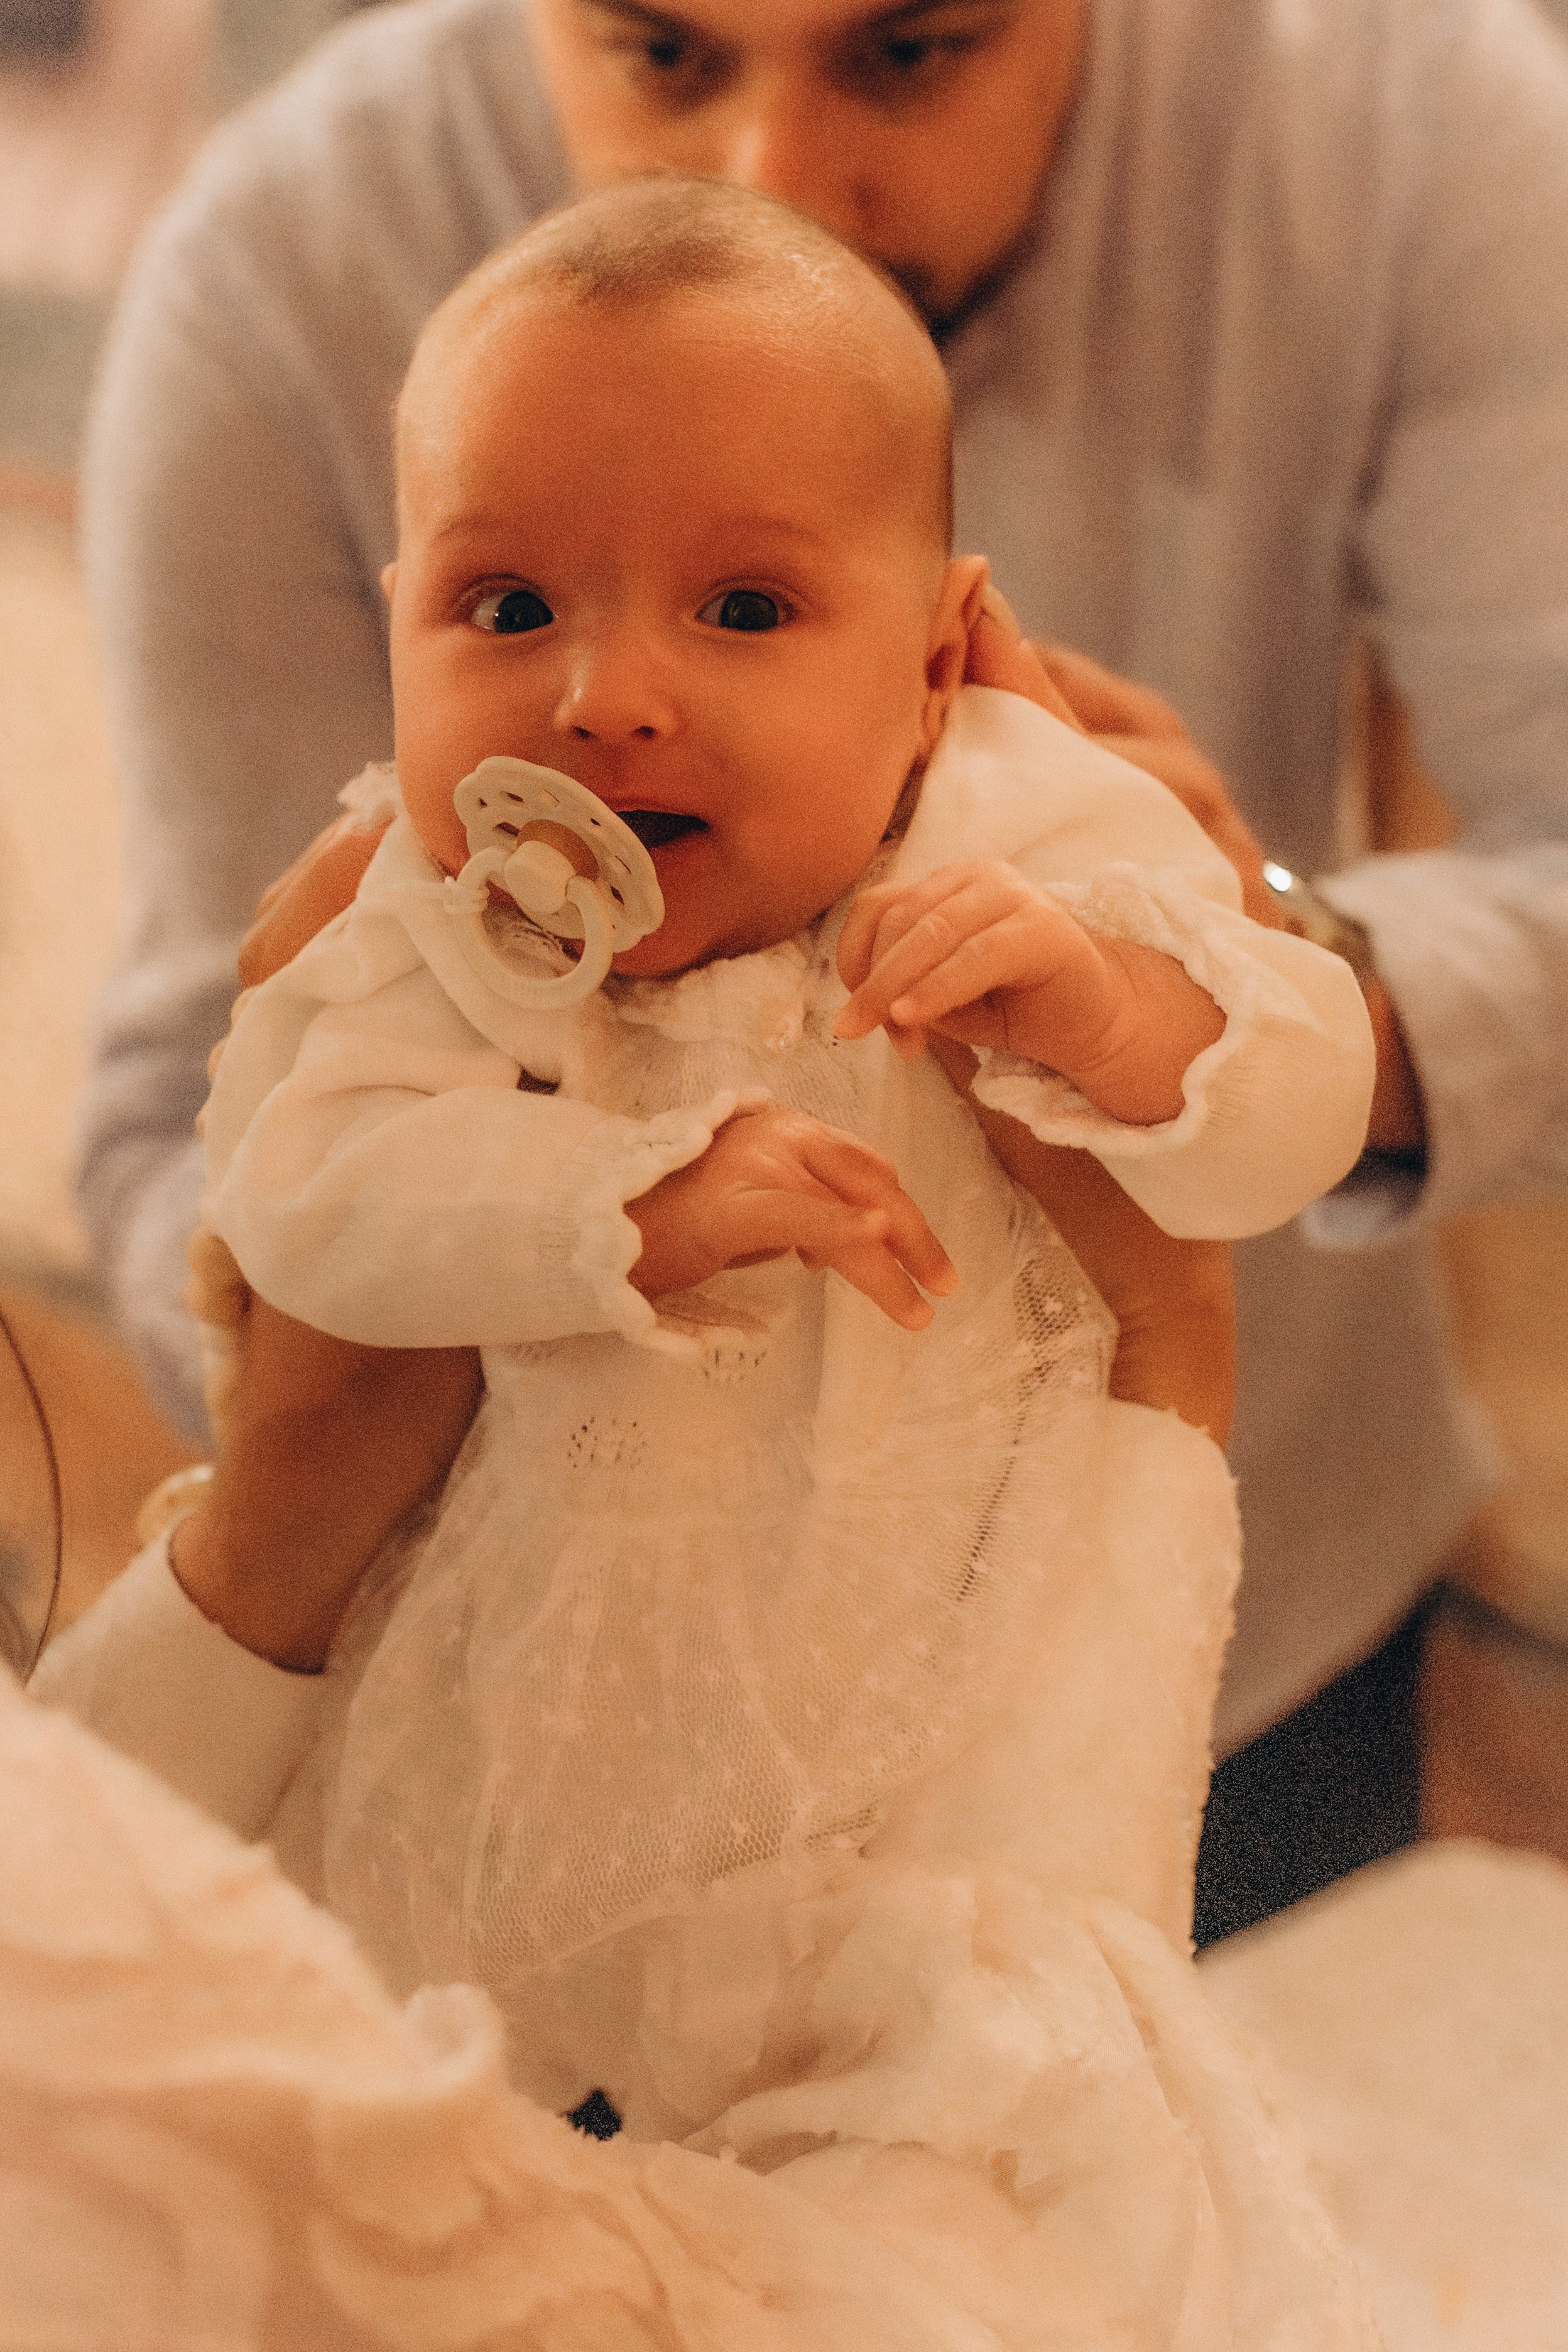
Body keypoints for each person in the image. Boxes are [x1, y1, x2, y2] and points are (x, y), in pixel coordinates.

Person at [74, 0, 1568, 1932]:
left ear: (950, 652)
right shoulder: (275, 276)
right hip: (507, 1737)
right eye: (663, 58)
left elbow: (1295, 1064)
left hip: (1215, 1674)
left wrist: (1237, 992)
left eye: (913, 52)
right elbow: (178, 1131)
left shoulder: (1410, 124)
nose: (779, 185)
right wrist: (479, 1257)